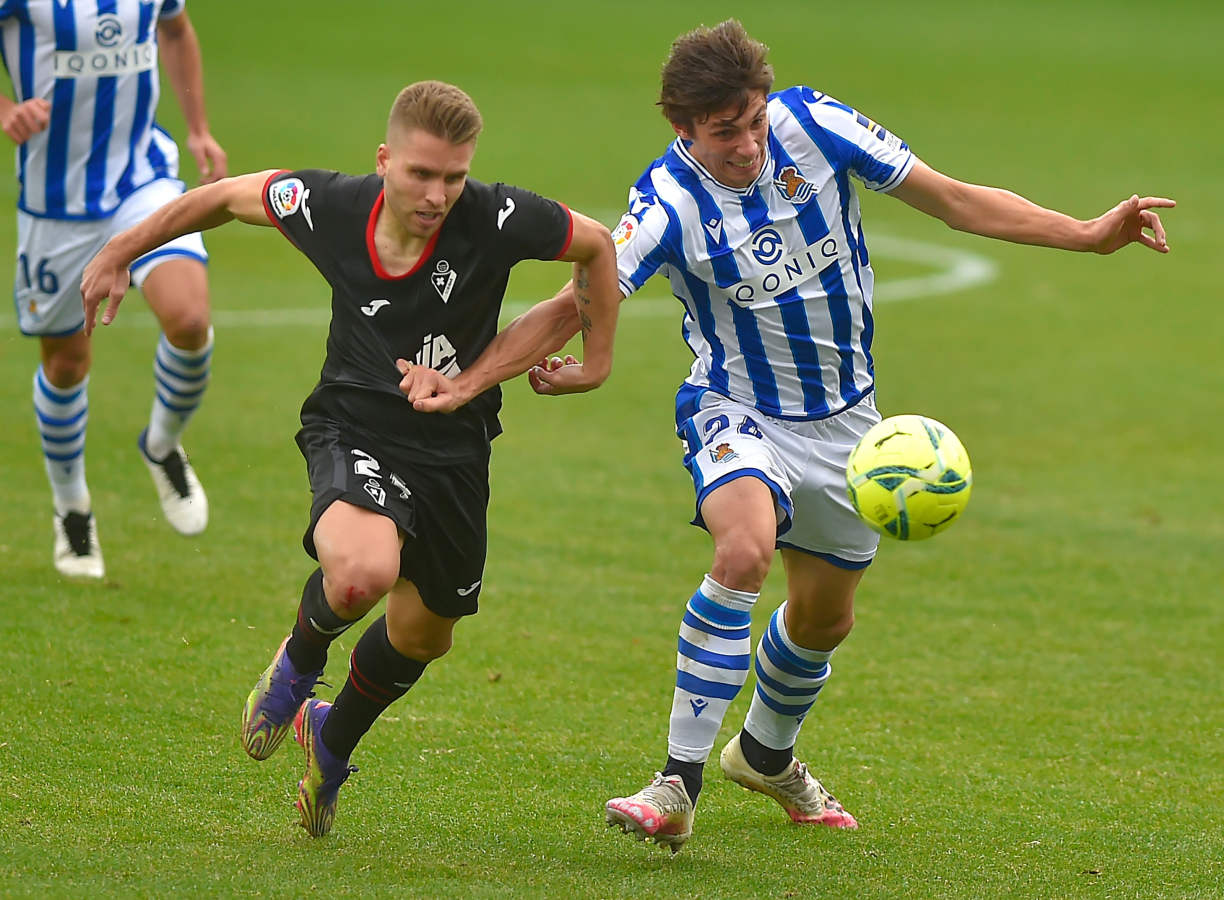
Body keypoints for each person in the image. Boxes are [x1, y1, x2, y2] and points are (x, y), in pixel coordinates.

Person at [403, 21, 1175, 853]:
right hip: (737, 409)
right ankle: (676, 783)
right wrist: (469, 382)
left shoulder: (816, 125)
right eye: (724, 132)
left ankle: (766, 755)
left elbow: (953, 199)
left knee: (824, 620)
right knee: (743, 551)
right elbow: (574, 302)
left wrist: (1087, 233)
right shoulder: (668, 203)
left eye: (754, 121)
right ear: (684, 129)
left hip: (850, 426)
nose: (747, 145)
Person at [81, 79, 619, 837]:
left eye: (454, 177)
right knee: (362, 573)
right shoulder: (330, 205)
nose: (437, 195)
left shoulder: (496, 216)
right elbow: (223, 197)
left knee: (424, 636)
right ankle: (299, 662)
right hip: (354, 424)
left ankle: (330, 743)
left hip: (455, 449)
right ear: (384, 160)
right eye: (420, 174)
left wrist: (586, 363)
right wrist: (120, 250)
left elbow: (596, 245)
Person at [1, 1, 226, 579]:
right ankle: (72, 508)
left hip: (141, 181)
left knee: (189, 320)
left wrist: (198, 127)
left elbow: (176, 28)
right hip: (56, 204)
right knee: (66, 364)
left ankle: (162, 444)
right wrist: (6, 109)